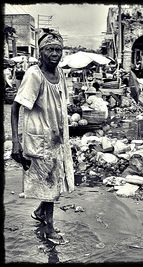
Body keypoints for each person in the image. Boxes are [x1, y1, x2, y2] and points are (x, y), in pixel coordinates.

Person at [11, 30, 74, 243]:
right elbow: (15, 107)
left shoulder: (61, 75)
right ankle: (49, 228)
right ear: (41, 52)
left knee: (53, 182)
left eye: (58, 49)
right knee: (50, 184)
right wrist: (16, 143)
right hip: (40, 141)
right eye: (50, 49)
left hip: (56, 140)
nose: (54, 54)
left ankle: (40, 212)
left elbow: (59, 103)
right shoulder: (34, 74)